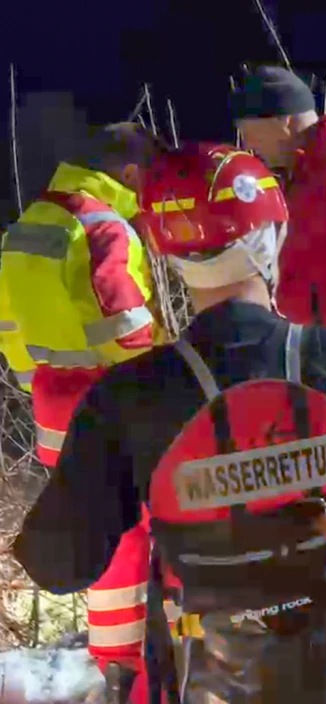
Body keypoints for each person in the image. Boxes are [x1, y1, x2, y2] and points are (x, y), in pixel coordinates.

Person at [12, 143, 326, 703]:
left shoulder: (129, 397)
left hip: (217, 668)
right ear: (271, 237)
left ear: (165, 254)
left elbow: (58, 564)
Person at [0, 123, 162, 698]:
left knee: (95, 526)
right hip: (111, 397)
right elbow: (121, 316)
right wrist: (160, 373)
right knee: (135, 527)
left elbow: (9, 321)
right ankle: (144, 667)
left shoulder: (29, 223)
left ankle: (115, 661)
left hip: (50, 397)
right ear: (130, 173)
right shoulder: (102, 224)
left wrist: (35, 382)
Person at [230, 65, 326, 326]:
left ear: (283, 121)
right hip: (301, 333)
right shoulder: (295, 168)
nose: (248, 146)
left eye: (250, 133)